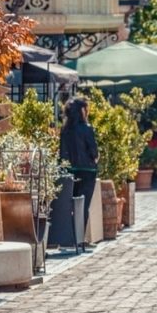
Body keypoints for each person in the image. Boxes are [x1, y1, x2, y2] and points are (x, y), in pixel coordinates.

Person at [59, 98, 98, 241]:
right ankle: (79, 238)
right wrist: (94, 159)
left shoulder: (65, 131)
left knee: (71, 205)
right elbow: (93, 151)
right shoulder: (87, 128)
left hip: (70, 171)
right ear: (82, 111)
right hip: (88, 171)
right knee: (83, 205)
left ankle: (71, 238)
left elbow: (62, 153)